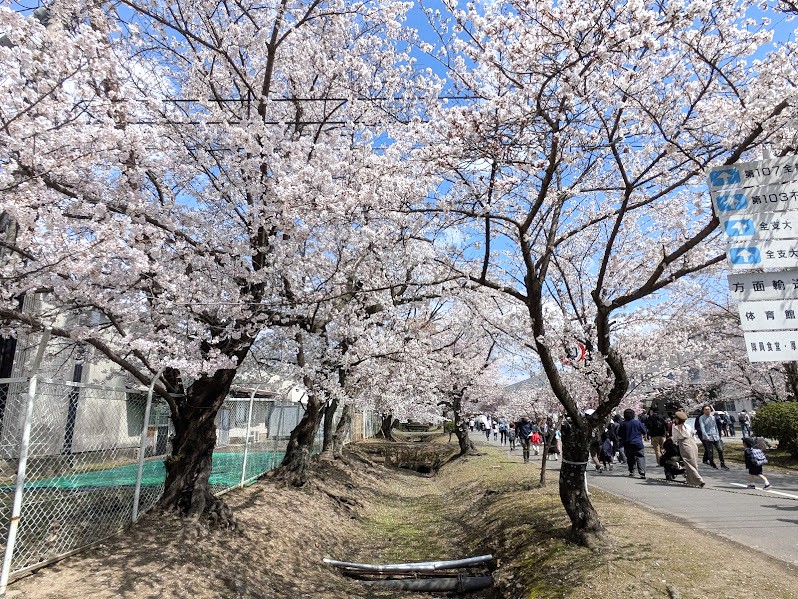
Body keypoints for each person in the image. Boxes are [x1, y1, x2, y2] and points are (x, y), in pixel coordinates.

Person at [671, 411, 705, 488]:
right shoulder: (688, 426)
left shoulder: (676, 427)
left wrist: (674, 442)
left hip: (684, 444)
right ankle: (690, 480)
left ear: (677, 419)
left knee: (688, 462)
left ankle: (699, 480)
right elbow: (693, 435)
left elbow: (675, 438)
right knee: (694, 462)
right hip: (693, 443)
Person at [618, 408, 647, 478]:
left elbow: (619, 434)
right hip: (638, 443)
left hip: (628, 443)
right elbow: (644, 431)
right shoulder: (637, 422)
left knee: (630, 458)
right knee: (640, 456)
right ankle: (642, 471)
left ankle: (632, 471)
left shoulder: (623, 424)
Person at [699, 405, 729, 470]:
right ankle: (712, 463)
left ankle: (722, 464)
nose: (708, 411)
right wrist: (706, 436)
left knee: (720, 450)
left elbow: (715, 427)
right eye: (706, 409)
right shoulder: (702, 418)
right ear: (703, 411)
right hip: (708, 437)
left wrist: (718, 435)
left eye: (708, 409)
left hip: (715, 436)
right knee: (710, 451)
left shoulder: (713, 417)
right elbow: (702, 427)